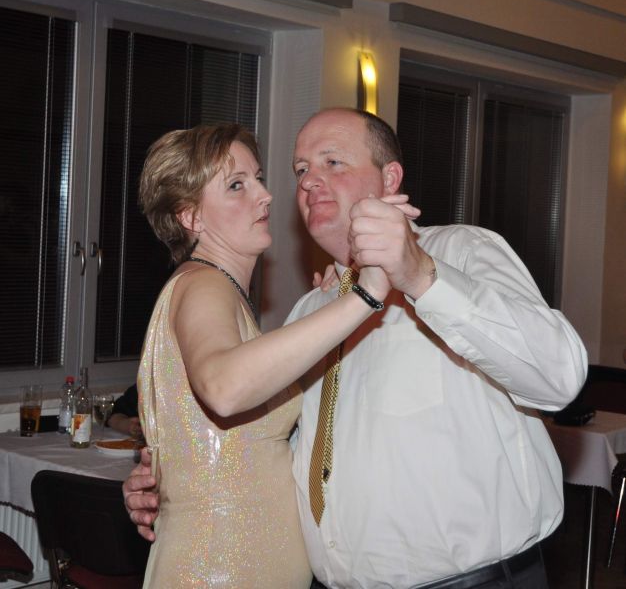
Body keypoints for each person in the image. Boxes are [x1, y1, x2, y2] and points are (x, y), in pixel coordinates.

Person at [125, 108, 587, 589]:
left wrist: (420, 275)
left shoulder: (460, 253)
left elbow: (560, 377)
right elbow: (296, 444)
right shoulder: (312, 310)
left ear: (389, 179)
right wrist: (180, 477)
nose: (308, 182)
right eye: (301, 170)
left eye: (333, 163)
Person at [132, 122, 417, 589]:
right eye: (237, 185)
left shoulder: (219, 293)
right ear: (191, 217)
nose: (265, 196)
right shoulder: (202, 286)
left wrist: (334, 294)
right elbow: (224, 388)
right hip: (219, 570)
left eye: (259, 178)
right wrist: (364, 295)